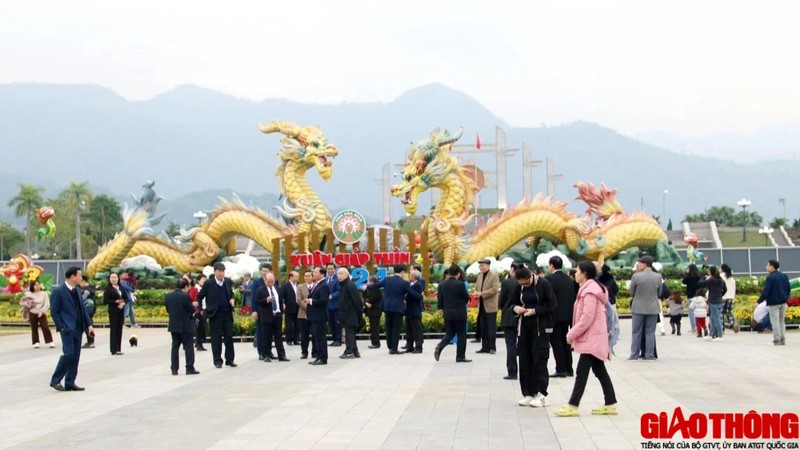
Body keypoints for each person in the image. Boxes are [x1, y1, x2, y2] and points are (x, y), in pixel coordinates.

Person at [553, 261, 618, 417]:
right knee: (599, 370)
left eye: (577, 272)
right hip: (594, 337)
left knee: (582, 371)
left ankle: (573, 405)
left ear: (584, 274)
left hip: (592, 338)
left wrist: (571, 334)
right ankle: (610, 403)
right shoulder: (591, 289)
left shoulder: (590, 292)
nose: (575, 274)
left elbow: (586, 318)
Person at [512, 266, 557, 408]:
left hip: (541, 327)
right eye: (522, 284)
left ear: (531, 276)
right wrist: (516, 308)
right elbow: (511, 303)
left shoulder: (544, 284)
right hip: (524, 326)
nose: (524, 286)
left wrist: (534, 311)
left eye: (526, 283)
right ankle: (528, 393)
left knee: (539, 359)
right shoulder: (518, 287)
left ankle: (542, 394)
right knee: (525, 360)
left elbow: (552, 304)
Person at [49, 266, 95, 391]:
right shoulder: (59, 291)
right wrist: (61, 326)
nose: (81, 278)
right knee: (69, 354)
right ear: (72, 276)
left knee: (76, 355)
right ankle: (55, 380)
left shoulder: (77, 290)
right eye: (79, 275)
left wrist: (89, 325)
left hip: (78, 328)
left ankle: (70, 381)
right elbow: (54, 311)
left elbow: (83, 310)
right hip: (67, 328)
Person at [365, 265, 422, 354]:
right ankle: (394, 348)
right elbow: (413, 294)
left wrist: (367, 287)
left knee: (389, 326)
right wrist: (420, 296)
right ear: (402, 272)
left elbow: (376, 285)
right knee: (396, 327)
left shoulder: (387, 279)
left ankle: (390, 346)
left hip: (387, 307)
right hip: (397, 307)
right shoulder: (404, 283)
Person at [197, 262, 237, 368]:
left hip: (227, 314)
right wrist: (201, 309)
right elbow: (199, 296)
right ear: (215, 272)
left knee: (229, 337)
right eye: (219, 271)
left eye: (223, 271)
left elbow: (231, 293)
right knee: (216, 339)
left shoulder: (227, 282)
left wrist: (232, 298)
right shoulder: (209, 283)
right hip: (215, 315)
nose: (221, 273)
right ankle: (217, 361)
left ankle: (230, 359)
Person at [433, 265, 471, 363]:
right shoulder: (460, 284)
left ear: (448, 273)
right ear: (458, 274)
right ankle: (460, 356)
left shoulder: (442, 285)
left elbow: (440, 300)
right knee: (461, 334)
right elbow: (466, 298)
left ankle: (440, 346)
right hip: (460, 313)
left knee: (450, 333)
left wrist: (441, 309)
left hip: (448, 313)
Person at [546, 256, 576, 377]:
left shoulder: (549, 280)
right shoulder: (569, 280)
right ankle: (569, 368)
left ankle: (561, 369)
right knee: (566, 342)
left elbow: (548, 298)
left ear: (552, 265)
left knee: (556, 343)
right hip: (567, 316)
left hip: (554, 316)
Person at [628, 255, 661, 360]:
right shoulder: (658, 276)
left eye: (640, 263)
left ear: (645, 264)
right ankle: (649, 354)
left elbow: (632, 292)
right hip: (653, 308)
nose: (639, 265)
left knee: (636, 332)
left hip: (638, 307)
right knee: (650, 332)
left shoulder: (636, 276)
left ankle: (634, 354)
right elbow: (659, 293)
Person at [166, 279, 199, 376]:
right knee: (188, 346)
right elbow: (191, 309)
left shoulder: (168, 296)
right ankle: (189, 368)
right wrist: (193, 306)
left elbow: (168, 309)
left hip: (174, 325)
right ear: (185, 287)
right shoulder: (185, 296)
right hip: (185, 325)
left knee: (175, 347)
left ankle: (174, 369)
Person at [498, 262, 523, 380]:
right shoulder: (526, 281)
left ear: (512, 269)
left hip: (509, 316)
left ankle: (512, 371)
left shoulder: (507, 282)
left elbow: (501, 301)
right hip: (524, 316)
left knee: (511, 344)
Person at [255, 273, 289, 362]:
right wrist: (266, 300)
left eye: (272, 281)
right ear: (265, 280)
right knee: (266, 337)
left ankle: (282, 355)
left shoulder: (278, 289)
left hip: (277, 315)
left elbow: (280, 300)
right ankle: (266, 354)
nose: (270, 283)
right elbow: (258, 301)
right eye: (268, 282)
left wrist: (282, 309)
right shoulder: (260, 290)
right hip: (266, 316)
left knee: (278, 336)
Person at [757, 259, 789, 346]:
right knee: (781, 321)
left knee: (775, 321)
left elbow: (766, 291)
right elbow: (788, 289)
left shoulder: (770, 277)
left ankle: (776, 340)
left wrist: (759, 301)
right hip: (783, 302)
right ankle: (782, 339)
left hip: (774, 303)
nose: (766, 267)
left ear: (772, 266)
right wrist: (786, 299)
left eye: (767, 265)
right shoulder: (784, 276)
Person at [474, 258, 500, 355]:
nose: (481, 267)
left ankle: (492, 347)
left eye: (482, 265)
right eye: (480, 266)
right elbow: (477, 288)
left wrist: (482, 293)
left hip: (490, 306)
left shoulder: (494, 276)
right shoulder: (479, 276)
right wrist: (476, 293)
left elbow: (494, 289)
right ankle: (484, 347)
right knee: (483, 327)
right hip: (481, 306)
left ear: (488, 266)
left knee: (491, 328)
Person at [337, 268, 363, 359]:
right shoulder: (343, 285)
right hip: (346, 314)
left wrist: (360, 315)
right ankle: (355, 351)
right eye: (338, 274)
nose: (339, 276)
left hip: (351, 314)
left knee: (349, 333)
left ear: (347, 275)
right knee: (350, 332)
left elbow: (357, 301)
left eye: (341, 274)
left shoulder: (350, 285)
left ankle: (349, 352)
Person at [697, 266, 727, 341]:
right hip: (719, 301)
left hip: (713, 302)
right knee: (713, 319)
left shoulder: (711, 280)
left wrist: (703, 277)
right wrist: (720, 295)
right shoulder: (721, 280)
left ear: (711, 272)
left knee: (716, 319)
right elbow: (725, 289)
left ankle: (720, 336)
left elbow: (700, 283)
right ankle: (710, 335)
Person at [307, 267, 330, 365]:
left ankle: (322, 358)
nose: (313, 274)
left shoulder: (324, 285)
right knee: (316, 337)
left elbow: (324, 300)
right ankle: (318, 356)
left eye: (315, 272)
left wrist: (311, 301)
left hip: (319, 315)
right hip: (314, 315)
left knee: (320, 337)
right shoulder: (317, 284)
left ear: (322, 274)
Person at [23, 279, 55, 349]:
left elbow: (47, 305)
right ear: (32, 286)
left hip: (41, 313)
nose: (37, 286)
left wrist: (42, 311)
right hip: (32, 313)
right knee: (34, 328)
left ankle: (50, 341)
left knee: (45, 327)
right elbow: (26, 304)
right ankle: (36, 342)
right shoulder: (30, 295)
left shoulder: (44, 294)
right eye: (35, 285)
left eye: (38, 284)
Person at [103, 272, 126, 356]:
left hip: (121, 310)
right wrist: (115, 302)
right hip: (113, 311)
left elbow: (126, 298)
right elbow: (105, 301)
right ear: (109, 279)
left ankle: (118, 349)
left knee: (119, 329)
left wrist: (123, 303)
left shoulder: (121, 288)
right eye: (112, 277)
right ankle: (113, 349)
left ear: (118, 279)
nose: (113, 279)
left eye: (115, 277)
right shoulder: (108, 289)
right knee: (114, 329)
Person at [404, 270, 425, 353]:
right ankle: (409, 346)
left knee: (417, 329)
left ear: (414, 277)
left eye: (410, 275)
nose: (409, 277)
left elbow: (416, 297)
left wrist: (407, 294)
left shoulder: (418, 285)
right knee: (409, 329)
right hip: (409, 310)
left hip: (415, 310)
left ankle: (419, 347)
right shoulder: (410, 285)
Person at [363, 276, 383, 349]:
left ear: (372, 283)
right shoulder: (369, 290)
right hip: (370, 312)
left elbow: (371, 300)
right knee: (372, 328)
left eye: (368, 282)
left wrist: (367, 302)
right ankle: (373, 342)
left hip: (375, 312)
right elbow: (365, 299)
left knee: (375, 328)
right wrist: (366, 301)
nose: (367, 284)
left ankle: (376, 343)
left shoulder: (377, 291)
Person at [296, 271, 313, 359]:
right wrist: (308, 308)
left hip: (314, 314)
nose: (306, 277)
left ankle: (315, 352)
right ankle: (304, 352)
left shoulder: (315, 286)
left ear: (312, 277)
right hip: (303, 314)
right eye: (305, 276)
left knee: (315, 334)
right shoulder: (300, 287)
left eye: (308, 276)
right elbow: (299, 300)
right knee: (304, 335)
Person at [325, 263, 342, 347]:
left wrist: (331, 296)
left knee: (337, 324)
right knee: (331, 323)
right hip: (328, 306)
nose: (330, 270)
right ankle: (334, 339)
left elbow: (340, 291)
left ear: (335, 269)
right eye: (328, 269)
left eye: (331, 269)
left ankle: (338, 340)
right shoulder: (325, 279)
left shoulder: (338, 279)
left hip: (336, 305)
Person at [282, 271, 300, 345]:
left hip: (298, 308)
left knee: (297, 325)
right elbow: (281, 296)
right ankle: (289, 340)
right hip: (289, 308)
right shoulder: (285, 286)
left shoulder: (299, 285)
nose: (297, 278)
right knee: (289, 325)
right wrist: (283, 304)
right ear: (291, 277)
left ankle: (296, 339)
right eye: (296, 277)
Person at [190, 274, 208, 351]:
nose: (204, 280)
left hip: (204, 309)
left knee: (202, 328)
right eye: (203, 279)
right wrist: (199, 309)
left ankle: (200, 343)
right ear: (198, 280)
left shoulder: (204, 288)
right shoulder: (196, 288)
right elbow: (195, 300)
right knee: (200, 327)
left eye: (205, 279)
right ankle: (198, 344)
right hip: (199, 311)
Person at [682, 264, 701, 333]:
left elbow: (683, 281)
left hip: (690, 296)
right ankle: (698, 326)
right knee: (697, 311)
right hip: (698, 296)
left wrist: (686, 273)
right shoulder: (698, 277)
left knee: (691, 312)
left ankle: (693, 327)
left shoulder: (688, 277)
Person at [720, 264, 738, 333]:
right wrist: (733, 297)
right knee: (729, 312)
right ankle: (733, 323)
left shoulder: (721, 276)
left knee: (720, 313)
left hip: (723, 297)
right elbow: (734, 289)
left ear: (722, 269)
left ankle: (721, 328)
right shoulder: (732, 278)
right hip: (730, 297)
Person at [80, 276, 96, 348]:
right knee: (88, 325)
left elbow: (82, 299)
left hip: (88, 308)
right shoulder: (91, 288)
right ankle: (90, 341)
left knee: (88, 325)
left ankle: (90, 341)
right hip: (90, 308)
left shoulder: (87, 290)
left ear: (83, 281)